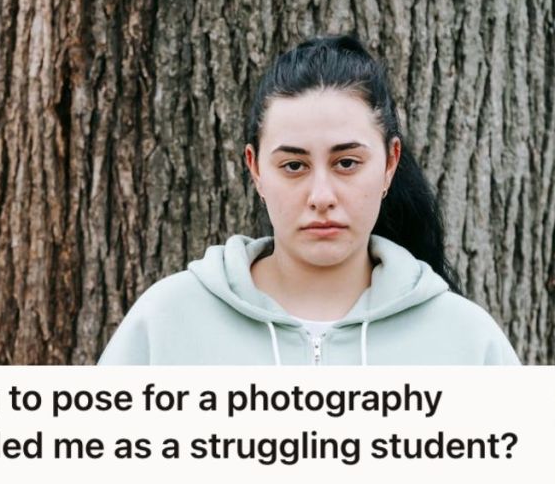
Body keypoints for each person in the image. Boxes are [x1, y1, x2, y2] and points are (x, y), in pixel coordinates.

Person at [99, 36, 519, 365]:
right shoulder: (165, 322)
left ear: (390, 163)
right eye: (294, 166)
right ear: (256, 170)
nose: (321, 197)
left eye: (347, 163)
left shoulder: (466, 339)